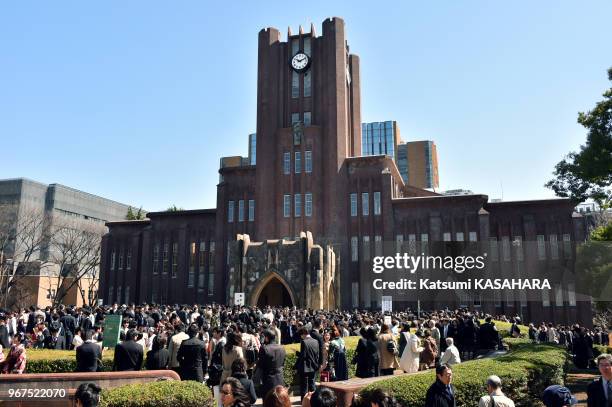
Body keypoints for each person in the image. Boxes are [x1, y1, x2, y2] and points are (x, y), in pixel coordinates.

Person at [255, 329, 286, 399]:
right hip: (280, 378)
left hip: (268, 380)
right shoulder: (282, 348)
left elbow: (260, 365)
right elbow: (283, 363)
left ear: (266, 338)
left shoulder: (264, 348)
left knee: (269, 401)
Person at [295, 326, 320, 399]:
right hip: (313, 366)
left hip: (305, 367)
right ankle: (315, 400)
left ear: (303, 334)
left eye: (301, 335)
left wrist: (297, 353)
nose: (301, 336)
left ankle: (304, 401)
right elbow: (316, 354)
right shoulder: (316, 341)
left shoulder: (304, 342)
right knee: (312, 384)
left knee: (304, 386)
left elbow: (303, 356)